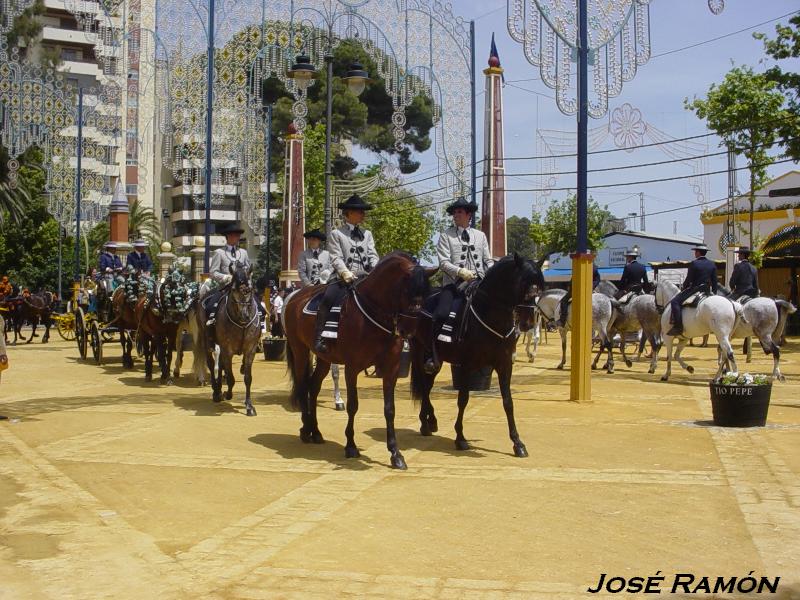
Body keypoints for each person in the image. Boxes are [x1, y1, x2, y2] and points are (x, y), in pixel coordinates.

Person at [424, 196, 494, 373]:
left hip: (479, 282)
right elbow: (443, 263)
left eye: (459, 212)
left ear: (468, 215)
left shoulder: (480, 236)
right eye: (454, 212)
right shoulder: (446, 235)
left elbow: (488, 260)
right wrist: (460, 272)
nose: (456, 215)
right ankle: (433, 354)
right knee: (440, 314)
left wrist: (491, 273)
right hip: (454, 284)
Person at [314, 194, 379, 353]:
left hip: (365, 277)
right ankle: (320, 338)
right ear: (348, 213)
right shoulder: (336, 234)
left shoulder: (367, 234)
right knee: (328, 298)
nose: (363, 214)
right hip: (343, 277)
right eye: (360, 211)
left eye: (363, 211)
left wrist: (376, 269)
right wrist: (345, 273)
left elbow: (373, 255)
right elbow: (335, 257)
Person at [203, 222, 251, 326]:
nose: (237, 238)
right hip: (225, 287)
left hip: (242, 288)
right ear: (228, 236)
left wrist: (248, 278)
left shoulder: (243, 252)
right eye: (235, 235)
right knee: (210, 307)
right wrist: (226, 277)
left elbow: (248, 270)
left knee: (259, 306)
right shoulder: (219, 252)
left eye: (238, 235)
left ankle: (260, 321)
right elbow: (213, 272)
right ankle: (211, 323)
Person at [666, 243, 718, 337]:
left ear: (698, 252)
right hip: (706, 290)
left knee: (675, 302)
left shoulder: (694, 263)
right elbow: (715, 281)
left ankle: (678, 326)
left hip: (695, 289)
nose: (695, 253)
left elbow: (689, 279)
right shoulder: (712, 264)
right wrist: (714, 293)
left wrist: (684, 287)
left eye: (695, 251)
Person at [558, 261, 600, 327]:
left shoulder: (578, 266)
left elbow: (573, 280)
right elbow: (597, 280)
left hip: (577, 290)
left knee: (563, 301)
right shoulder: (594, 267)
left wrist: (570, 288)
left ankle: (562, 320)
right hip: (590, 289)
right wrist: (591, 287)